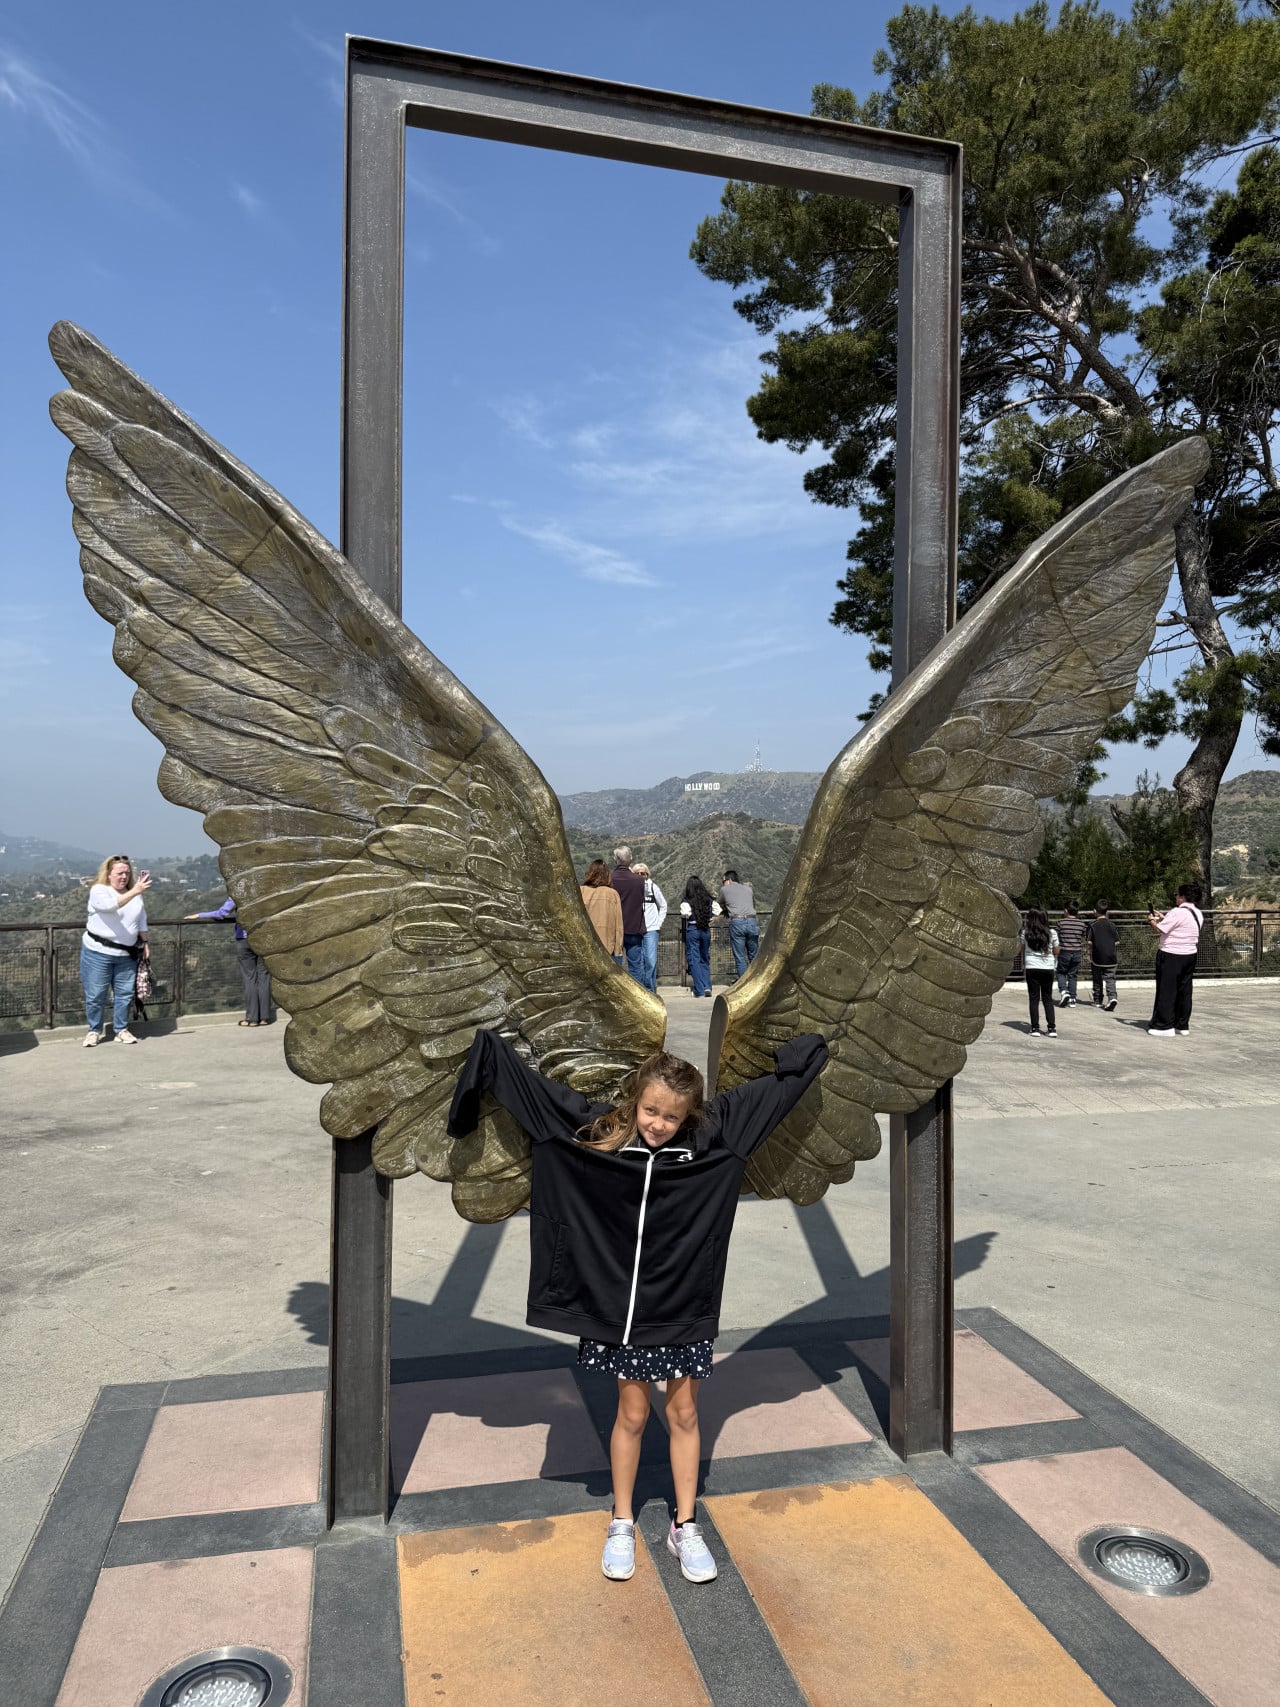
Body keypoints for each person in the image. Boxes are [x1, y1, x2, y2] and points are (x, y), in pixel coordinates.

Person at [447, 1026, 829, 1584]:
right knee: (630, 1414)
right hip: (618, 1310)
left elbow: (779, 1091)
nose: (658, 1124)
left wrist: (798, 1057)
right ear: (636, 1100)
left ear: (688, 1115)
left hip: (682, 1306)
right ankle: (622, 1521)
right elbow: (534, 1094)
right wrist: (486, 1067)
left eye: (671, 1117)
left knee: (684, 1414)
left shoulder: (714, 1137)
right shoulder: (602, 1130)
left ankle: (686, 1525)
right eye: (651, 1111)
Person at [80, 854, 151, 1046]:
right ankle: (94, 1030)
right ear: (109, 874)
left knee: (124, 993)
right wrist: (135, 891)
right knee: (96, 994)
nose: (124, 877)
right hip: (98, 952)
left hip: (126, 953)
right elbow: (109, 907)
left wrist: (145, 942)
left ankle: (121, 1029)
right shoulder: (99, 890)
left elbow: (141, 918)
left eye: (127, 873)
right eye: (120, 873)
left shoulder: (135, 895)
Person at [186, 897, 272, 1026]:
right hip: (265, 938)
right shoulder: (267, 890)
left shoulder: (239, 892)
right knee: (264, 977)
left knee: (250, 979)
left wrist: (199, 915)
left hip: (245, 938)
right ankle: (264, 1017)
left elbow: (222, 913)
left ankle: (252, 1018)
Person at [1147, 881, 1204, 1037]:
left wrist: (1152, 919)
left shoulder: (1177, 912)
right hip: (1190, 954)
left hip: (1171, 955)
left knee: (1167, 990)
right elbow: (1181, 926)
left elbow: (1160, 929)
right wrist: (1164, 917)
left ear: (1183, 897)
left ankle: (1163, 1026)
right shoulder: (1197, 913)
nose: (1176, 898)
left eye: (1177, 895)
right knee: (1184, 990)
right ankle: (1182, 1024)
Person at [611, 847, 648, 986]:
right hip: (634, 928)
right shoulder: (639, 881)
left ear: (615, 860)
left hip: (615, 930)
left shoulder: (610, 879)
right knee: (635, 967)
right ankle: (637, 996)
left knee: (615, 968)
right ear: (630, 859)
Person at [1020, 906, 1058, 1037]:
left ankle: (1035, 1028)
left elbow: (1022, 948)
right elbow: (1056, 951)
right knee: (1048, 998)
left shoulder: (1025, 933)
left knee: (1034, 999)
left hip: (1032, 967)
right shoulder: (1052, 933)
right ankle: (1051, 1028)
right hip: (1048, 968)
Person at [679, 876, 720, 998]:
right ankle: (707, 986)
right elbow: (718, 910)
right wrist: (708, 917)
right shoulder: (708, 899)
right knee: (704, 958)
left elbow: (685, 913)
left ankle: (699, 989)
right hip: (705, 930)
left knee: (694, 959)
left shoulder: (686, 900)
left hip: (693, 929)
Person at [632, 863, 667, 994]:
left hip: (651, 929)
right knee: (639, 961)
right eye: (637, 874)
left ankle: (649, 989)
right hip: (636, 928)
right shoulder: (632, 888)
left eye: (643, 873)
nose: (640, 876)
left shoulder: (653, 887)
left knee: (651, 961)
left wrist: (659, 923)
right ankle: (643, 990)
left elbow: (663, 905)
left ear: (647, 875)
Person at [717, 870, 759, 979]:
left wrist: (726, 908)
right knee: (754, 956)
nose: (723, 884)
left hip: (737, 922)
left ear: (729, 880)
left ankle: (743, 983)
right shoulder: (748, 889)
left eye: (724, 881)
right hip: (752, 921)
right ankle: (757, 981)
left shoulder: (724, 889)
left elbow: (718, 904)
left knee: (740, 957)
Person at [580, 860, 624, 963]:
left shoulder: (581, 891)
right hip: (608, 948)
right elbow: (619, 925)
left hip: (585, 946)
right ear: (607, 875)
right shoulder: (612, 894)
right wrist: (618, 951)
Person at [1086, 900, 1120, 1011]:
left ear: (1095, 911)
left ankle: (1098, 1000)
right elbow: (1117, 941)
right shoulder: (1112, 925)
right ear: (1107, 911)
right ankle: (1112, 997)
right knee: (1110, 979)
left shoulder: (1092, 925)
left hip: (1097, 957)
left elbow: (1089, 942)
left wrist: (1090, 950)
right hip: (1111, 957)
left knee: (1097, 979)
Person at [1054, 903, 1086, 1006]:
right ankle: (1072, 999)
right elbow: (1083, 937)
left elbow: (1056, 936)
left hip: (1064, 951)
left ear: (1066, 910)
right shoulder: (1081, 924)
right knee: (1073, 975)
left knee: (1061, 973)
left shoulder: (1060, 922)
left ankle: (1064, 991)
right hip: (1077, 952)